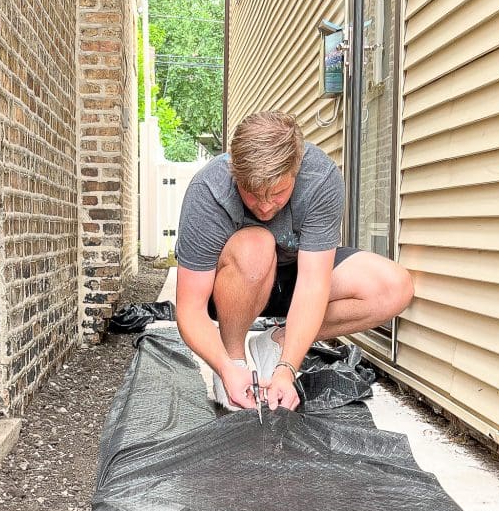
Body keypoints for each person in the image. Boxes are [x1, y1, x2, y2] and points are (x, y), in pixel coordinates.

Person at [174, 111, 414, 411]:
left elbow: (313, 284)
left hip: (297, 276)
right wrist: (224, 366)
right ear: (235, 172)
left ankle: (275, 344)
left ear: (296, 169)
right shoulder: (209, 190)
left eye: (277, 193)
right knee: (257, 243)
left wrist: (287, 367)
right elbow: (190, 307)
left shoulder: (320, 179)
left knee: (394, 287)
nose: (264, 206)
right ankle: (235, 361)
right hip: (236, 282)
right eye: (251, 194)